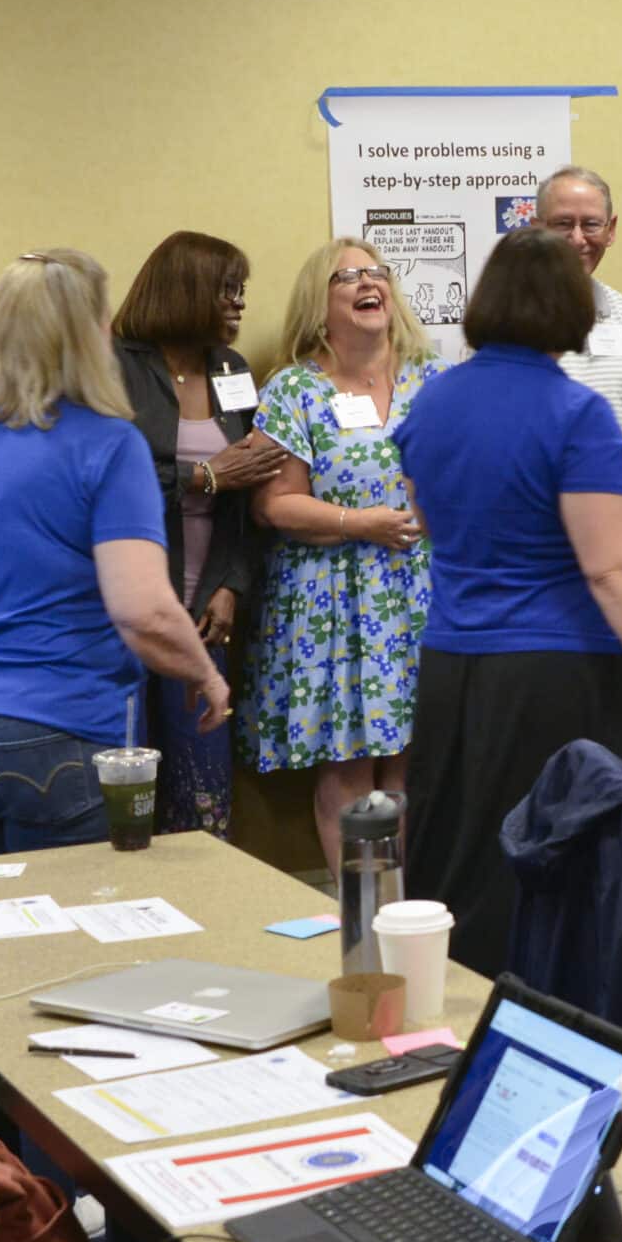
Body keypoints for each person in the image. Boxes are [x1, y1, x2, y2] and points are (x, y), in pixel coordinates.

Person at [395, 230, 622, 974]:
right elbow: (613, 569)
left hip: (450, 668)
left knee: (457, 865)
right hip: (558, 677)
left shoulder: (432, 402)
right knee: (562, 879)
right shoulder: (576, 413)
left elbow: (428, 519)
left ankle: (454, 1019)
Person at [0, 251, 230, 854]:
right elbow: (143, 610)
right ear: (91, 335)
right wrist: (204, 673)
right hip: (60, 730)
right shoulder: (110, 445)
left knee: (9, 900)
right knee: (78, 908)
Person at [246, 240, 443, 886]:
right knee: (350, 761)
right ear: (319, 301)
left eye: (376, 273)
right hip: (334, 599)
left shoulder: (431, 378)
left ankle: (405, 904)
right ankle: (362, 911)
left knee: (412, 760)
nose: (367, 283)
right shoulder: (294, 389)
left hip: (420, 591)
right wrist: (364, 524)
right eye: (347, 276)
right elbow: (274, 505)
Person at [112, 232, 287, 838]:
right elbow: (100, 480)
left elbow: (249, 490)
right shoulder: (113, 367)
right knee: (125, 791)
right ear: (184, 290)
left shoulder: (231, 369)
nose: (239, 303)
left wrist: (232, 584)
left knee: (203, 797)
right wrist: (202, 476)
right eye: (226, 290)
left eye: (241, 289)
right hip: (126, 615)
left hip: (205, 613)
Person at [536, 168, 622, 524]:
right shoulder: (502, 320)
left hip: (615, 533)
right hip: (531, 537)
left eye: (591, 224)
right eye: (563, 224)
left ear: (611, 230)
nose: (578, 239)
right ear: (536, 228)